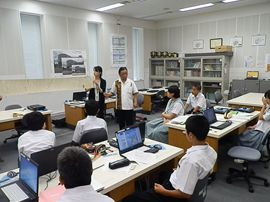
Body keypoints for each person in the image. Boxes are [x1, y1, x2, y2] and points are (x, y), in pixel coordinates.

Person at [123, 115, 217, 202]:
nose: (185, 134)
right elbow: (201, 171)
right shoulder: (212, 151)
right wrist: (183, 170)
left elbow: (185, 194)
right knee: (160, 174)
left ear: (191, 135)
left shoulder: (191, 161)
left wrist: (163, 191)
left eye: (186, 131)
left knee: (130, 199)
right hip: (180, 181)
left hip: (175, 194)